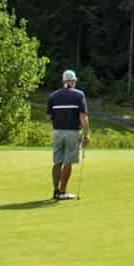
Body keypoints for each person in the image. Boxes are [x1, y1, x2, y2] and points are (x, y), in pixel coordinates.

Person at [47, 69, 89, 201]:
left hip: (57, 132)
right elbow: (83, 116)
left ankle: (55, 191)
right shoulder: (79, 95)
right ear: (73, 81)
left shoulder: (53, 96)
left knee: (57, 162)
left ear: (63, 81)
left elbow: (49, 116)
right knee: (68, 162)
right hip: (72, 132)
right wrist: (86, 134)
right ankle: (63, 191)